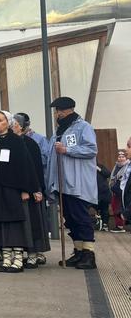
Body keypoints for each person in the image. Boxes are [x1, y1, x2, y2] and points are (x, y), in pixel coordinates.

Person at [0, 111, 40, 273]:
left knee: (14, 223)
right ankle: (6, 259)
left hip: (12, 188)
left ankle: (18, 260)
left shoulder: (16, 141)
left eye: (0, 120)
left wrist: (26, 189)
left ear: (8, 122)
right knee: (1, 222)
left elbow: (25, 166)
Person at [46, 97, 98, 269]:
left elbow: (91, 149)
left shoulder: (83, 127)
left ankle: (89, 254)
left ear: (68, 110)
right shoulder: (59, 130)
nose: (57, 114)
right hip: (62, 183)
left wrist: (67, 150)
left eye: (59, 110)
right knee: (70, 219)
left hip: (78, 182)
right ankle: (79, 251)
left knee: (81, 217)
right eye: (56, 111)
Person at [12, 113, 52, 267]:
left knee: (33, 222)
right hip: (16, 189)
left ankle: (34, 254)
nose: (11, 127)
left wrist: (37, 189)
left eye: (14, 124)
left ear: (21, 127)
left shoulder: (30, 143)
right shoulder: (10, 142)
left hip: (31, 188)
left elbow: (37, 168)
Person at [109, 150, 128, 233]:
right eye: (119, 157)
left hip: (124, 191)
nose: (121, 158)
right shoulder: (116, 166)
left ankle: (120, 226)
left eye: (123, 157)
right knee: (115, 207)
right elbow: (113, 177)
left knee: (122, 208)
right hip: (116, 191)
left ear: (126, 158)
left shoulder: (128, 167)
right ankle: (119, 225)